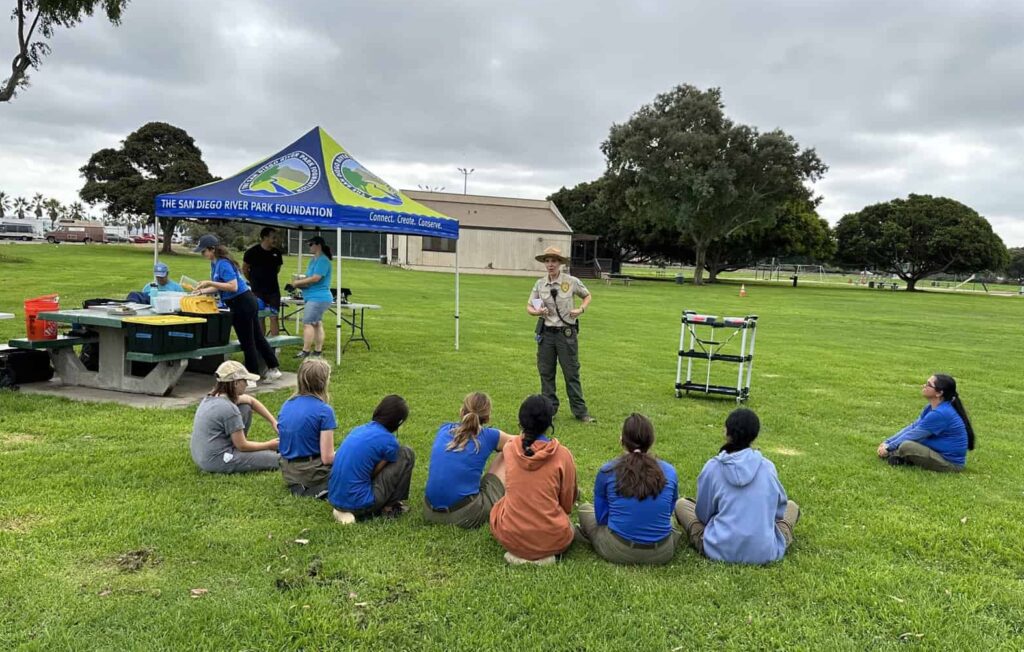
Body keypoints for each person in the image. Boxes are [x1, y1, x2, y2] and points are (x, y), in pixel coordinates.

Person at [675, 408, 799, 565]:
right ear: (754, 436)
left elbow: (703, 515)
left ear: (727, 432)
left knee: (681, 505)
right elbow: (778, 512)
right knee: (792, 507)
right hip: (765, 551)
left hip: (718, 548)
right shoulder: (767, 467)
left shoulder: (713, 467)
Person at [576, 414, 681, 565]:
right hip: (662, 552)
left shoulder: (607, 471)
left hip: (618, 549)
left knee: (585, 509)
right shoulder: (670, 471)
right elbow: (670, 508)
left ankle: (584, 535)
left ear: (622, 440)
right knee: (667, 519)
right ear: (651, 441)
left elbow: (602, 518)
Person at [489, 395, 578, 565]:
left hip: (510, 535)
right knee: (568, 527)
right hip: (551, 537)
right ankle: (544, 554)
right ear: (549, 422)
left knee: (498, 508)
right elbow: (567, 501)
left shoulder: (509, 448)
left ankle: (520, 550)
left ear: (521, 421)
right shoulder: (562, 455)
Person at [192, 233, 282, 382]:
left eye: (204, 251)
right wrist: (201, 291)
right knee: (257, 337)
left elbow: (232, 286)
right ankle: (273, 368)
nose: (203, 254)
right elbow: (220, 287)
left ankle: (251, 377)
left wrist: (210, 283)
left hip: (242, 302)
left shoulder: (223, 263)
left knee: (248, 341)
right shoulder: (215, 263)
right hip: (241, 302)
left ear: (212, 249)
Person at [423, 392, 513, 528]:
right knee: (508, 450)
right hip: (464, 516)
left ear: (461, 411)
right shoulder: (490, 436)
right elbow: (521, 442)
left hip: (429, 511)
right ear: (487, 418)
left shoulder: (444, 429)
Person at [526, 246, 594, 423]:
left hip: (566, 334)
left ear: (560, 263)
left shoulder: (571, 282)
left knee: (571, 372)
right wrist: (537, 311)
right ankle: (549, 410)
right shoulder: (540, 284)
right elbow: (530, 307)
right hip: (547, 334)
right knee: (546, 373)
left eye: (554, 261)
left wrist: (581, 309)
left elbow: (587, 296)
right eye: (547, 261)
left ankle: (580, 412)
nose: (550, 264)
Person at [328, 395, 416, 524]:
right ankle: (391, 506)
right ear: (399, 422)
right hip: (359, 502)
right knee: (406, 453)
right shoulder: (390, 442)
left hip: (334, 497)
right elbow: (374, 473)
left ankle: (343, 509)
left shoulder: (359, 429)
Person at [189, 360, 280, 473]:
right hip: (217, 460)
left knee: (245, 406)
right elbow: (242, 446)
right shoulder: (229, 409)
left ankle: (237, 449)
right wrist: (269, 445)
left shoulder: (212, 397)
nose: (247, 384)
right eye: (245, 381)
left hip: (201, 456)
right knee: (278, 459)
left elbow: (251, 401)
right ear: (235, 383)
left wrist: (273, 422)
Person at [877, 373, 975, 472]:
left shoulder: (941, 413)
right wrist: (887, 442)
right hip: (936, 452)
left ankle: (897, 455)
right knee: (906, 444)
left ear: (939, 393)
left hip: (950, 463)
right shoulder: (931, 407)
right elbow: (913, 427)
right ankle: (900, 456)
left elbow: (914, 435)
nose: (923, 386)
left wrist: (889, 448)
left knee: (907, 446)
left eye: (928, 384)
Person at [277, 358, 337, 499]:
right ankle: (318, 488)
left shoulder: (287, 404)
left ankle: (304, 487)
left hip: (289, 470)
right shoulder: (324, 411)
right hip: (312, 471)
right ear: (324, 382)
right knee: (355, 463)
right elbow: (327, 458)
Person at [285, 235, 333, 359]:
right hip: (312, 296)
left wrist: (297, 283)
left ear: (318, 245)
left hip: (319, 297)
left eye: (311, 244)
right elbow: (308, 278)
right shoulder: (313, 260)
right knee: (316, 323)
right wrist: (300, 282)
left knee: (307, 323)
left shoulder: (323, 260)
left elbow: (316, 278)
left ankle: (305, 351)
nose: (309, 247)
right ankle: (317, 351)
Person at [243, 227, 284, 337]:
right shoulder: (252, 252)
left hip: (273, 291)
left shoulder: (277, 253)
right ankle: (262, 343)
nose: (275, 240)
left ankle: (276, 345)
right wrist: (252, 281)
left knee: (274, 316)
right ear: (265, 237)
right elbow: (245, 269)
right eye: (273, 237)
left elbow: (278, 269)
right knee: (260, 317)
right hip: (257, 291)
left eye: (276, 238)